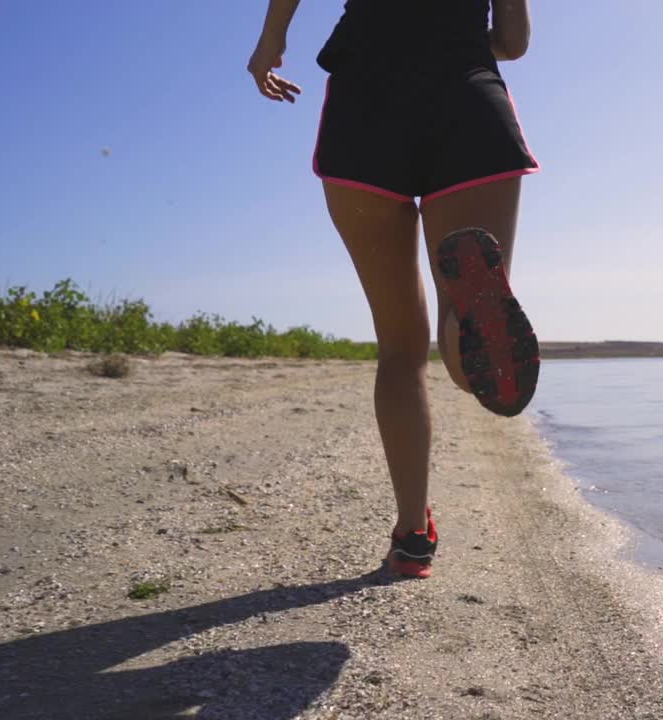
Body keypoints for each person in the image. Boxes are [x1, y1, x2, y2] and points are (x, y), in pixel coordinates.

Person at [246, 0, 540, 579]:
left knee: (401, 347)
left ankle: (412, 538)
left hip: (365, 106)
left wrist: (270, 42)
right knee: (463, 332)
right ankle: (472, 314)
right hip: (468, 103)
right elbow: (511, 41)